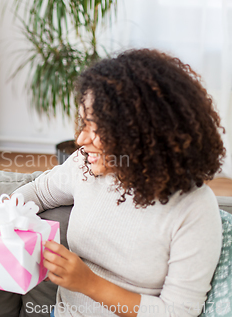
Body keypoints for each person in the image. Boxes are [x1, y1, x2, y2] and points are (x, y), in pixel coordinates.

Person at [14, 49, 225, 317]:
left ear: (139, 134)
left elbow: (178, 312)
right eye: (83, 123)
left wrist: (89, 283)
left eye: (95, 128)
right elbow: (38, 191)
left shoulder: (193, 208)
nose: (80, 139)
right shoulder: (85, 165)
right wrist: (8, 212)